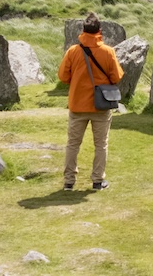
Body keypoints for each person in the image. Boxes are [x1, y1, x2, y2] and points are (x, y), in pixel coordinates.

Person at [58, 11, 124, 191]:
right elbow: (117, 76)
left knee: (73, 144)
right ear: (99, 30)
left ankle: (69, 182)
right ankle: (97, 181)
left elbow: (63, 76)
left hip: (78, 105)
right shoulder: (108, 51)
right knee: (101, 145)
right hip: (101, 106)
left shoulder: (73, 51)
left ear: (83, 30)